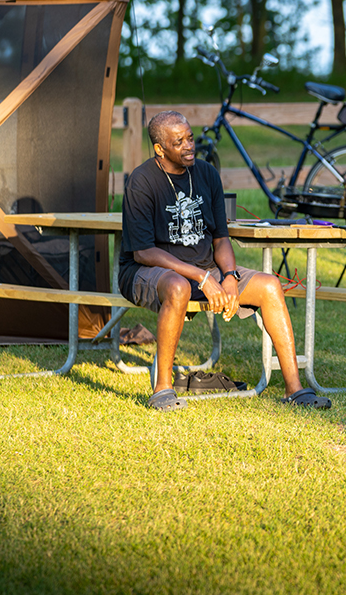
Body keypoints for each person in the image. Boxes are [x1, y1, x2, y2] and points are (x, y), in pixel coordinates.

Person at [120, 110, 330, 411]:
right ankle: (163, 388)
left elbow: (220, 238)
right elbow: (143, 252)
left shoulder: (206, 174)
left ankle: (293, 389)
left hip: (205, 269)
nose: (189, 146)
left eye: (191, 138)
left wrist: (229, 275)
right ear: (160, 148)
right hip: (147, 271)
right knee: (179, 287)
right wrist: (202, 277)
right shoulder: (142, 181)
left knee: (270, 286)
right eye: (179, 142)